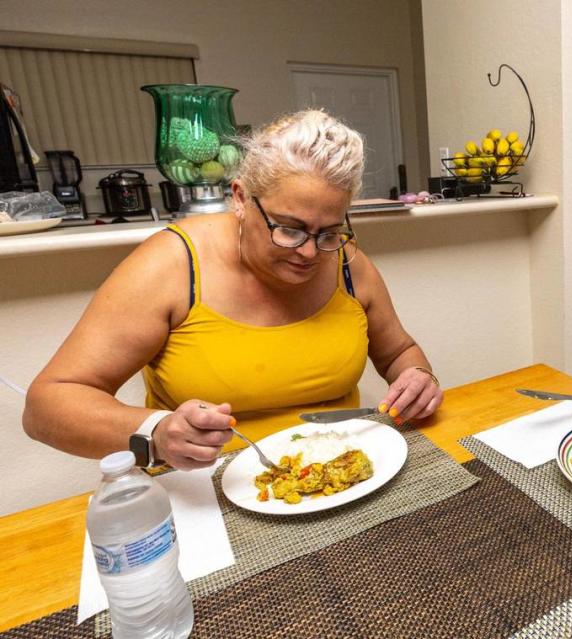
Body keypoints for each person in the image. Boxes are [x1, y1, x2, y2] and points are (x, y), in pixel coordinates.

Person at [23, 109, 443, 470]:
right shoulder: (173, 264)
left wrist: (417, 377)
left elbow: (398, 352)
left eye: (330, 232)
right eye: (289, 228)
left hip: (338, 471)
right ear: (240, 197)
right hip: (203, 489)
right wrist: (156, 431)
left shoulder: (347, 262)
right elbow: (47, 406)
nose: (311, 252)